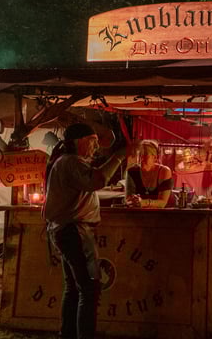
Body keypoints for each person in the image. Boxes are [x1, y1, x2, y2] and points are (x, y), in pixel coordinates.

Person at [43, 123, 126, 339]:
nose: (96, 146)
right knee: (89, 288)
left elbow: (88, 187)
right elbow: (96, 180)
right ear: (80, 142)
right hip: (75, 231)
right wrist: (119, 156)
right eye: (93, 141)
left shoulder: (66, 161)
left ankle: (67, 334)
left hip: (67, 230)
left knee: (73, 288)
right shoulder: (71, 162)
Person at [125, 139, 173, 208]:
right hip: (141, 212)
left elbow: (163, 203)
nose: (141, 159)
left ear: (155, 157)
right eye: (139, 155)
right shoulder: (132, 172)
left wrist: (144, 202)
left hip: (165, 212)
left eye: (145, 156)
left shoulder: (164, 171)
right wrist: (133, 200)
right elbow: (128, 199)